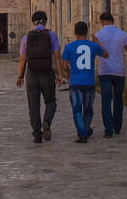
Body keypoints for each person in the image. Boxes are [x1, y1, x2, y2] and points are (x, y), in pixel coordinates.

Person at [16, 11, 63, 143]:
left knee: (33, 105)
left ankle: (37, 134)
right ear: (45, 21)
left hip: (31, 74)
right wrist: (59, 74)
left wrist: (20, 76)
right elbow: (57, 56)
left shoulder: (27, 37)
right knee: (51, 101)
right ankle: (46, 121)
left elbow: (22, 59)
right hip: (47, 72)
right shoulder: (51, 35)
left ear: (33, 22)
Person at [61, 22, 107, 143]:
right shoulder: (93, 46)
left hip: (75, 82)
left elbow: (64, 66)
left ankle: (82, 134)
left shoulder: (69, 47)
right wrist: (97, 41)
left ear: (75, 32)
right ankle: (85, 129)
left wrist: (70, 71)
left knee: (77, 109)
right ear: (86, 32)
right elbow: (106, 54)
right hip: (89, 82)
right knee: (88, 109)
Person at [92, 12, 127, 138]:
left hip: (104, 71)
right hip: (119, 71)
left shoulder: (98, 35)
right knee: (118, 99)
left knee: (106, 100)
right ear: (112, 21)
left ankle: (108, 129)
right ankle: (117, 126)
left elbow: (93, 53)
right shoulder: (122, 35)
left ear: (101, 21)